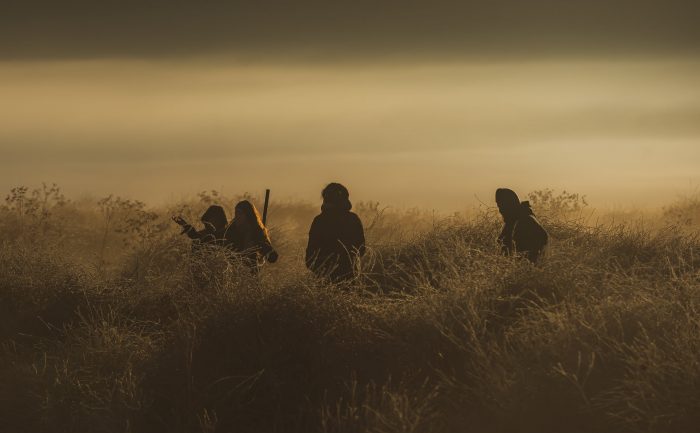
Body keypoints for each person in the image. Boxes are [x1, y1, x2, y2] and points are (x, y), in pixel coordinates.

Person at [306, 183, 366, 282]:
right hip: (349, 279)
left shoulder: (319, 221)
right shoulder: (352, 219)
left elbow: (310, 257)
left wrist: (321, 271)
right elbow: (361, 249)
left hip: (323, 281)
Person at [496, 188, 548, 263]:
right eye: (499, 206)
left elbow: (527, 258)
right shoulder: (516, 221)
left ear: (511, 204)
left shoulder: (525, 222)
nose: (500, 210)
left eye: (502, 206)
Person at [224, 200, 278, 272]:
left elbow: (272, 257)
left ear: (247, 215)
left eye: (240, 213)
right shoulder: (230, 230)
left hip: (250, 272)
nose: (237, 216)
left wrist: (261, 246)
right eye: (236, 213)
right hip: (232, 271)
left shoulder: (256, 232)